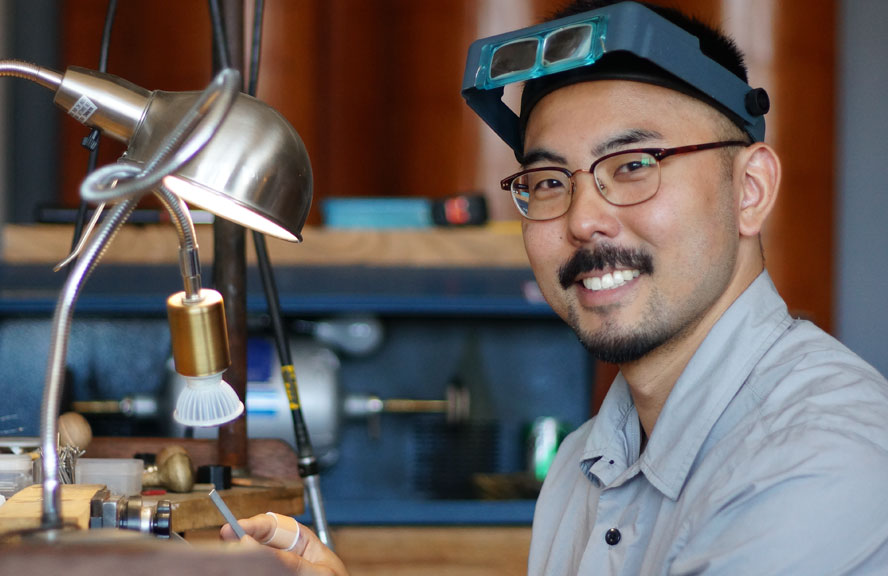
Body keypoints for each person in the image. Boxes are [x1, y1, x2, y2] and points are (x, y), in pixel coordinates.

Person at [221, 1, 888, 574]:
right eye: (547, 182)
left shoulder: (821, 450)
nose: (583, 219)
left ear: (749, 189)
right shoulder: (581, 463)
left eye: (633, 165)